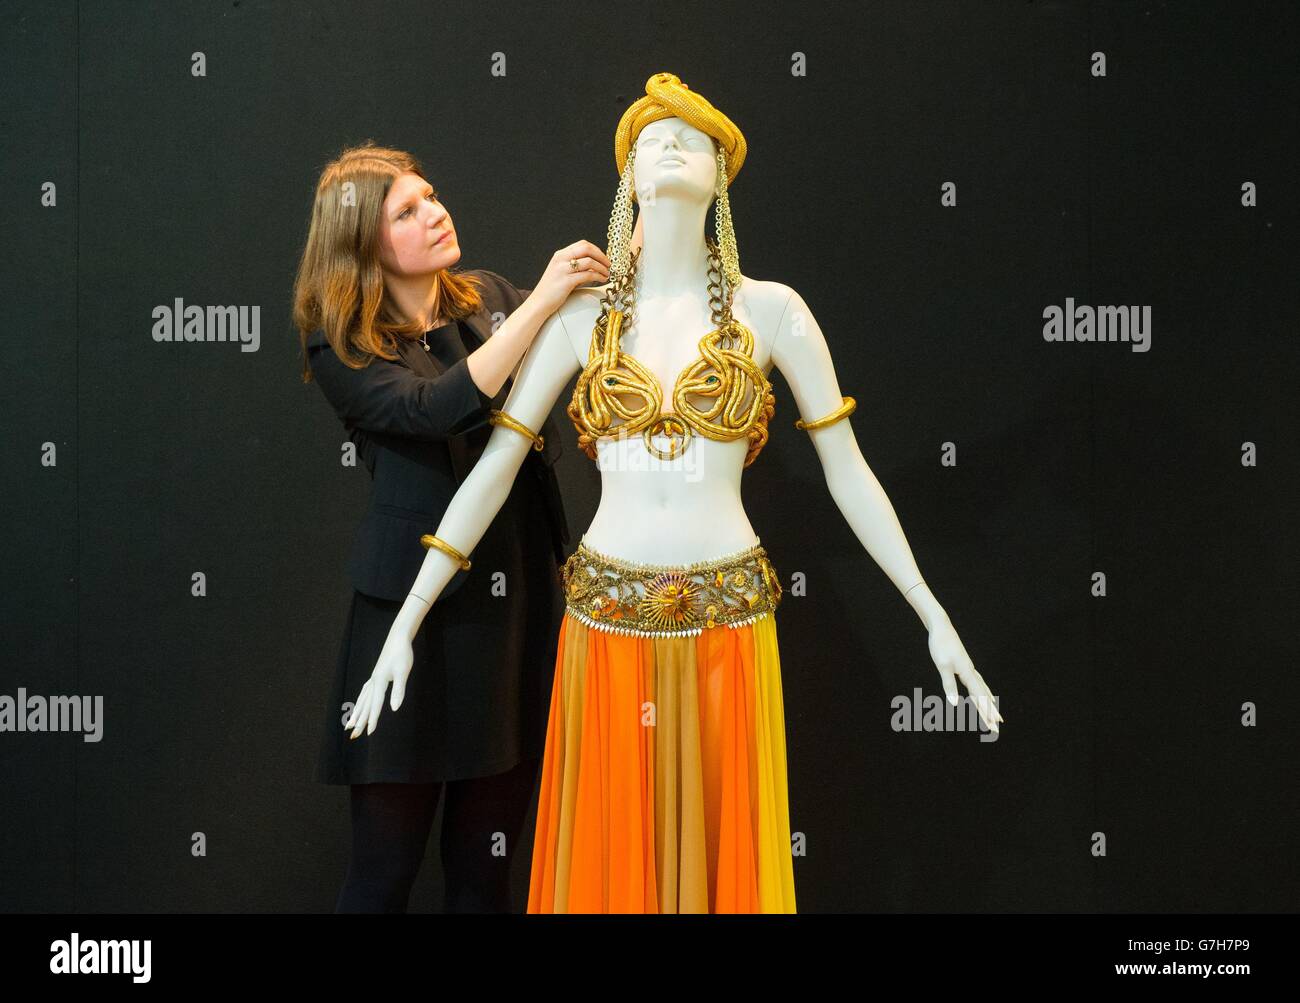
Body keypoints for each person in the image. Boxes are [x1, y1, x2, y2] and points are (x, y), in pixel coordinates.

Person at [341, 74, 1002, 913]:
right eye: (653, 138)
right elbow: (493, 467)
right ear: (629, 180)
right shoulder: (583, 319)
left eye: (692, 136)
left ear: (722, 171)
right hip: (605, 625)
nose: (673, 142)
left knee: (721, 865)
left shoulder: (775, 313)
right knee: (613, 870)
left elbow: (850, 470)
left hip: (729, 620)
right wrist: (407, 622)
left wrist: (931, 611)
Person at [291, 140, 610, 912]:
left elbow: (599, 321)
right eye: (408, 210)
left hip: (511, 616)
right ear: (362, 244)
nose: (436, 213)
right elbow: (435, 410)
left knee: (485, 874)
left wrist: (638, 242)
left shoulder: (486, 297)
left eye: (432, 196)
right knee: (383, 874)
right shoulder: (341, 344)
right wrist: (542, 306)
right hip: (412, 619)